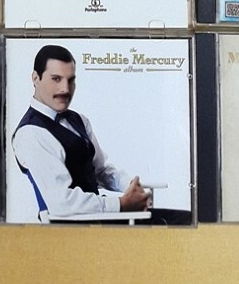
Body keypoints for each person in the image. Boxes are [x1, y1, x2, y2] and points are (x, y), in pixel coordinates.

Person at [12, 44, 152, 219]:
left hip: (100, 218)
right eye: (56, 79)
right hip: (71, 227)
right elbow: (61, 202)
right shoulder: (30, 132)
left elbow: (101, 170)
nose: (65, 89)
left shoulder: (79, 120)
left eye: (70, 80)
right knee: (173, 222)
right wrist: (121, 204)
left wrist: (131, 187)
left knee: (174, 219)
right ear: (35, 78)